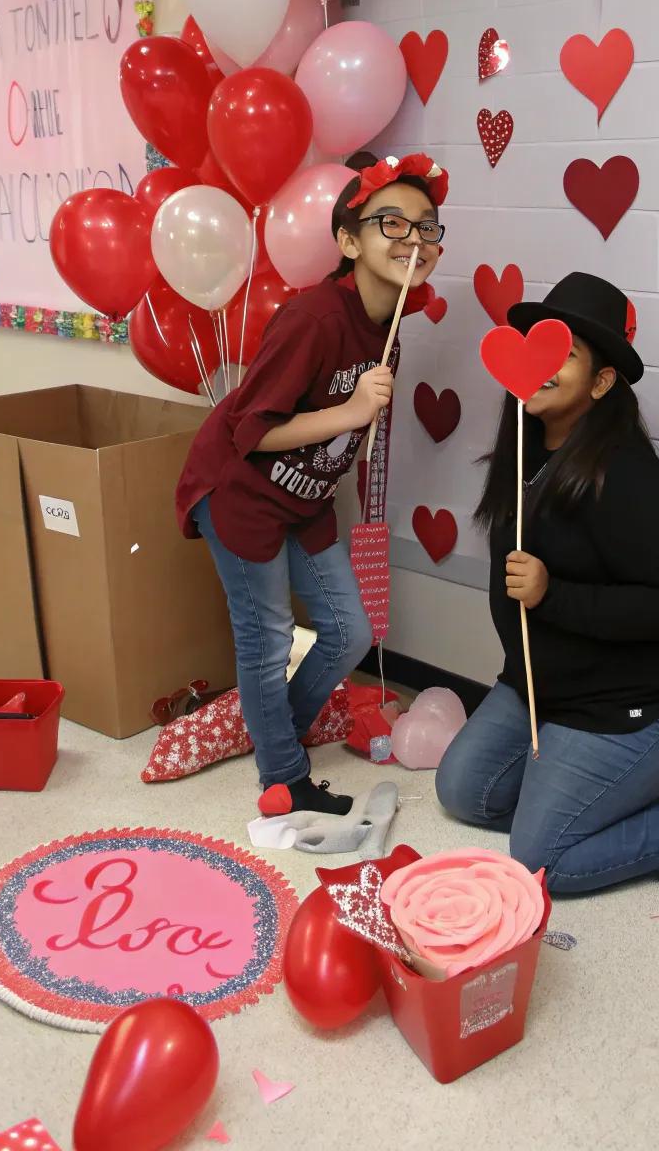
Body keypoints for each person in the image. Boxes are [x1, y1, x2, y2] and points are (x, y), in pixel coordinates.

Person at [436, 272, 659, 919]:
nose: (542, 363)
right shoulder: (524, 445)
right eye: (536, 346)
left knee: (537, 859)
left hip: (645, 695)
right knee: (462, 789)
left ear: (601, 383)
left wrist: (553, 596)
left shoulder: (623, 471)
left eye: (566, 354)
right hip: (550, 690)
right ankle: (587, 793)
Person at [177, 152, 448, 818]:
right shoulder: (314, 318)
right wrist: (353, 412)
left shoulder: (389, 328)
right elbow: (250, 430)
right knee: (267, 635)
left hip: (305, 498)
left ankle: (274, 728)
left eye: (427, 226)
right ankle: (283, 780)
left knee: (350, 631)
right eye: (392, 223)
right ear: (349, 242)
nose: (413, 237)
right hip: (240, 490)